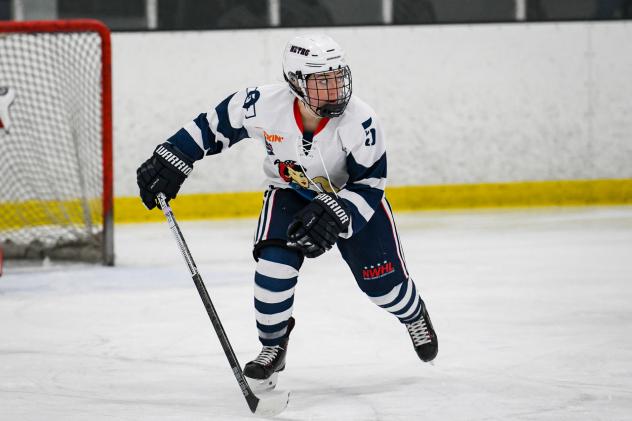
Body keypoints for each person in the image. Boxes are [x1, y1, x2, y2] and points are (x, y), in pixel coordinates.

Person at [136, 34, 438, 391]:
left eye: (338, 77)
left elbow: (370, 184)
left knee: (383, 288)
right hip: (290, 192)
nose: (335, 90)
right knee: (273, 266)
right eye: (322, 82)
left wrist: (338, 215)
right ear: (295, 82)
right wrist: (175, 154)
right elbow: (213, 125)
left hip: (351, 200)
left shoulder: (362, 121)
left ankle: (413, 313)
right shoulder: (261, 104)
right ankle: (273, 346)